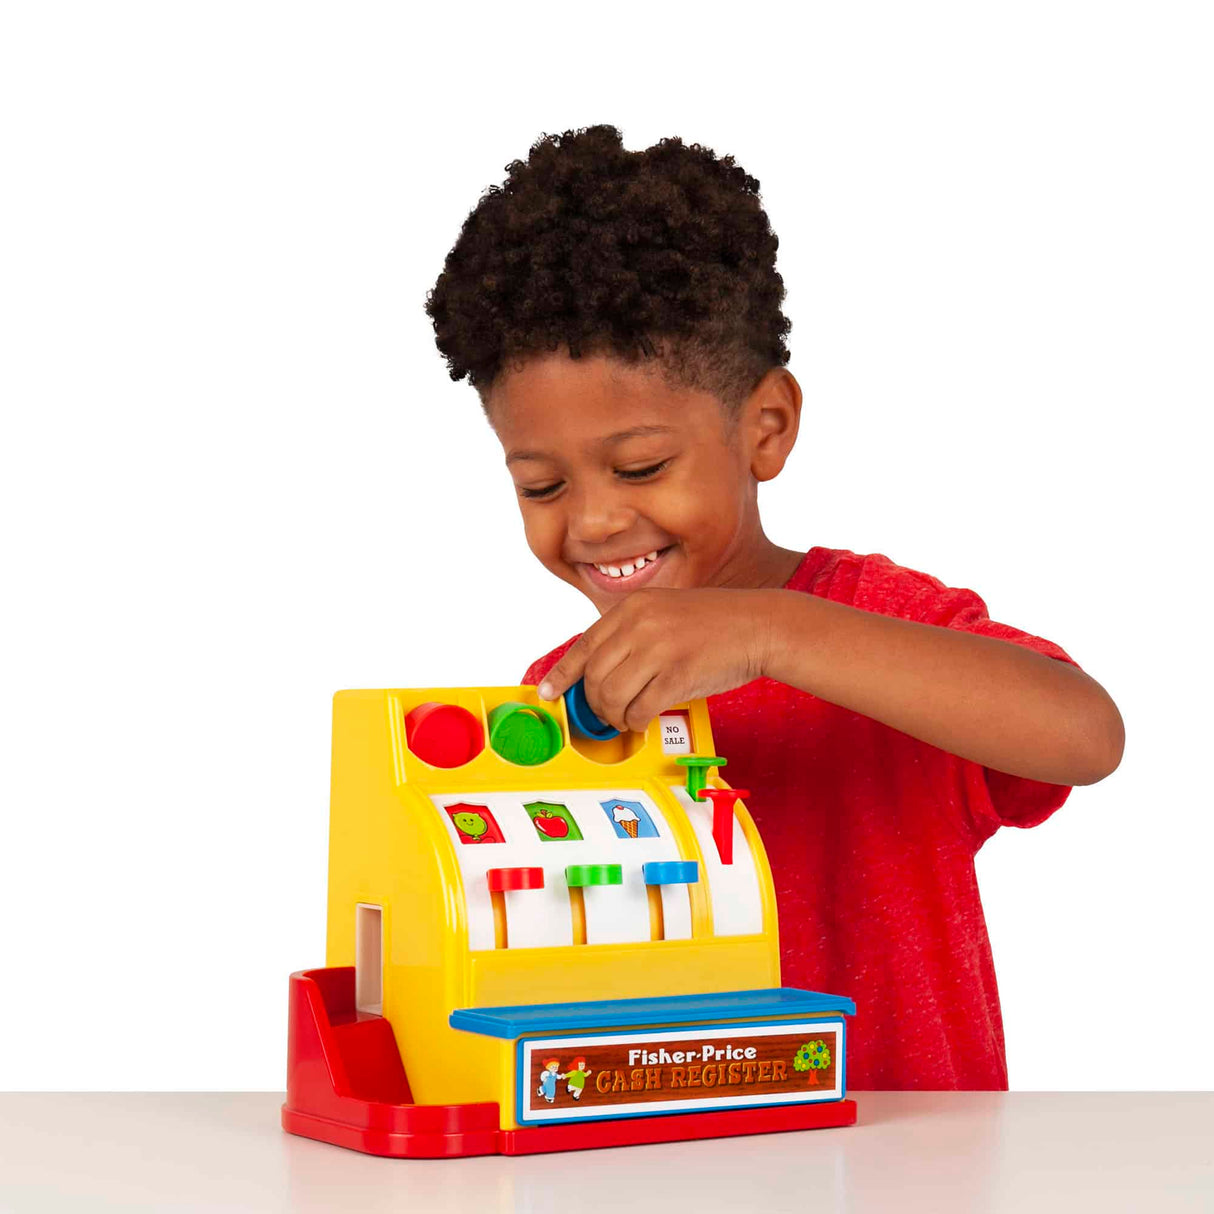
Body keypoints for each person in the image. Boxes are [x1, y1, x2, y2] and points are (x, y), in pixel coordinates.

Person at [424, 125, 1124, 1090]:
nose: (590, 520)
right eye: (540, 486)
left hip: (908, 1175)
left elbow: (1085, 734)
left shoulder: (866, 620)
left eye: (641, 467)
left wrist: (768, 632)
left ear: (766, 426)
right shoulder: (566, 692)